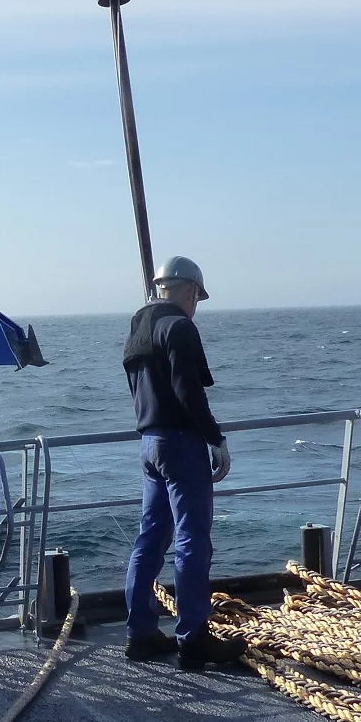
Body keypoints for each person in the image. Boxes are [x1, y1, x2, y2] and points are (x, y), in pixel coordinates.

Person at [121, 256, 247, 669]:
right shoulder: (180, 327)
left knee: (150, 537)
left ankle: (140, 634)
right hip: (180, 444)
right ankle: (193, 640)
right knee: (193, 538)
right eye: (197, 297)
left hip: (149, 444)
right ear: (190, 290)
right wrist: (216, 439)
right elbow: (189, 392)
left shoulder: (137, 327)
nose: (196, 305)